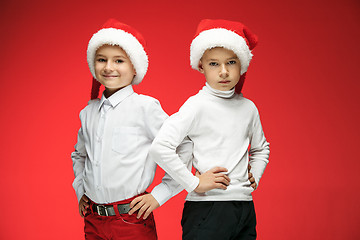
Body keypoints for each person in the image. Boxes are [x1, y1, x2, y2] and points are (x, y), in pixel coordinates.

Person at [71, 18, 192, 240]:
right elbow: (79, 155)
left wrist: (160, 194)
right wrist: (81, 189)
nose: (108, 67)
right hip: (93, 220)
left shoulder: (145, 107)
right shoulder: (88, 112)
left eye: (119, 60)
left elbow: (184, 146)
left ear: (134, 67)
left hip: (131, 219)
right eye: (101, 59)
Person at [150, 19, 270, 240]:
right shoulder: (197, 105)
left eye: (231, 62)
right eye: (214, 64)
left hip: (244, 207)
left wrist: (255, 175)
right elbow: (160, 147)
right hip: (207, 209)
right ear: (201, 65)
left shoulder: (248, 108)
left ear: (241, 65)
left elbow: (261, 148)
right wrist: (194, 183)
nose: (223, 72)